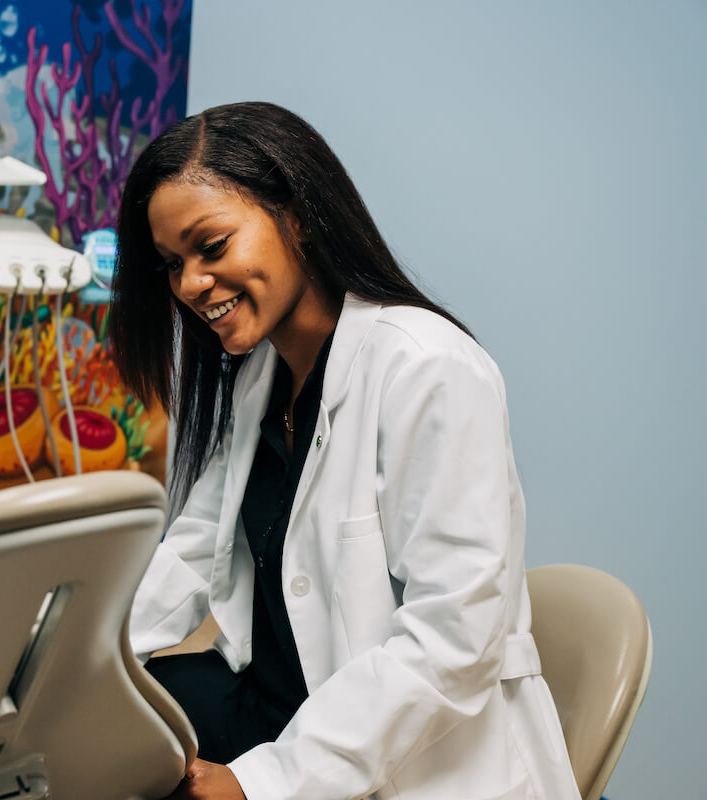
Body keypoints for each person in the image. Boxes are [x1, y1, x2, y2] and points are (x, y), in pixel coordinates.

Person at [109, 101, 580, 800]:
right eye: (172, 265)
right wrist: (75, 657)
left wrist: (259, 783)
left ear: (296, 215)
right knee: (116, 722)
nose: (188, 285)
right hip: (292, 713)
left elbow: (450, 645)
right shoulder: (261, 380)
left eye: (212, 248)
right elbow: (189, 551)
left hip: (421, 761)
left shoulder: (428, 368)